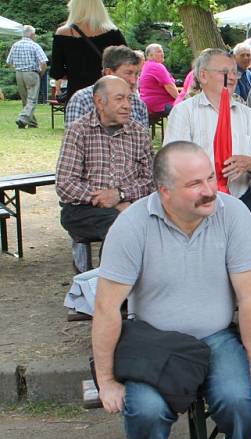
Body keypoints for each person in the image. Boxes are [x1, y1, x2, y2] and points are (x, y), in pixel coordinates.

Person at [92, 141, 251, 439]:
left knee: (239, 400)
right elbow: (106, 307)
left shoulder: (233, 214)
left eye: (210, 177)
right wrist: (105, 380)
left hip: (216, 337)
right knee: (145, 410)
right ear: (164, 192)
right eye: (194, 184)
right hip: (156, 343)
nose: (209, 190)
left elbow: (250, 299)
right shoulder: (132, 225)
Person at [165, 49, 251, 288]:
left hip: (239, 198)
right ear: (203, 76)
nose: (232, 77)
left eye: (235, 72)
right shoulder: (185, 112)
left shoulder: (247, 115)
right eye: (225, 72)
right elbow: (172, 163)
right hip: (198, 201)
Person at [56, 76, 154, 272]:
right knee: (121, 226)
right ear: (100, 102)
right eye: (120, 99)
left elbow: (151, 180)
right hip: (82, 209)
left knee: (146, 223)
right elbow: (65, 183)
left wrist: (120, 195)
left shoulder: (139, 133)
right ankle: (112, 291)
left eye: (129, 99)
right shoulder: (79, 131)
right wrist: (105, 198)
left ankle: (121, 290)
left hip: (130, 205)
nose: (127, 105)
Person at [51, 0, 126, 103]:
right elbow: (126, 63)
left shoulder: (63, 33)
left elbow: (56, 72)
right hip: (108, 93)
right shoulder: (113, 32)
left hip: (77, 94)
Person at [65, 45, 147, 128]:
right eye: (128, 73)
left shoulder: (138, 105)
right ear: (109, 73)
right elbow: (74, 138)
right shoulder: (82, 100)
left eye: (137, 74)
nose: (133, 80)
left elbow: (144, 139)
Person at [6, 25, 48, 129]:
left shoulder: (15, 45)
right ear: (32, 34)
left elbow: (9, 62)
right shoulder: (34, 45)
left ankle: (32, 123)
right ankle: (22, 118)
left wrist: (18, 68)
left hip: (19, 74)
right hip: (31, 73)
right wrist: (40, 74)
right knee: (32, 99)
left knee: (25, 100)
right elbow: (43, 63)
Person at [139, 44, 178, 116]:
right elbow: (169, 86)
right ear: (150, 55)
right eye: (159, 51)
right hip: (159, 105)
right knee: (187, 109)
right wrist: (180, 100)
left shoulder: (147, 65)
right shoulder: (156, 66)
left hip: (149, 103)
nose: (162, 54)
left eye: (162, 51)